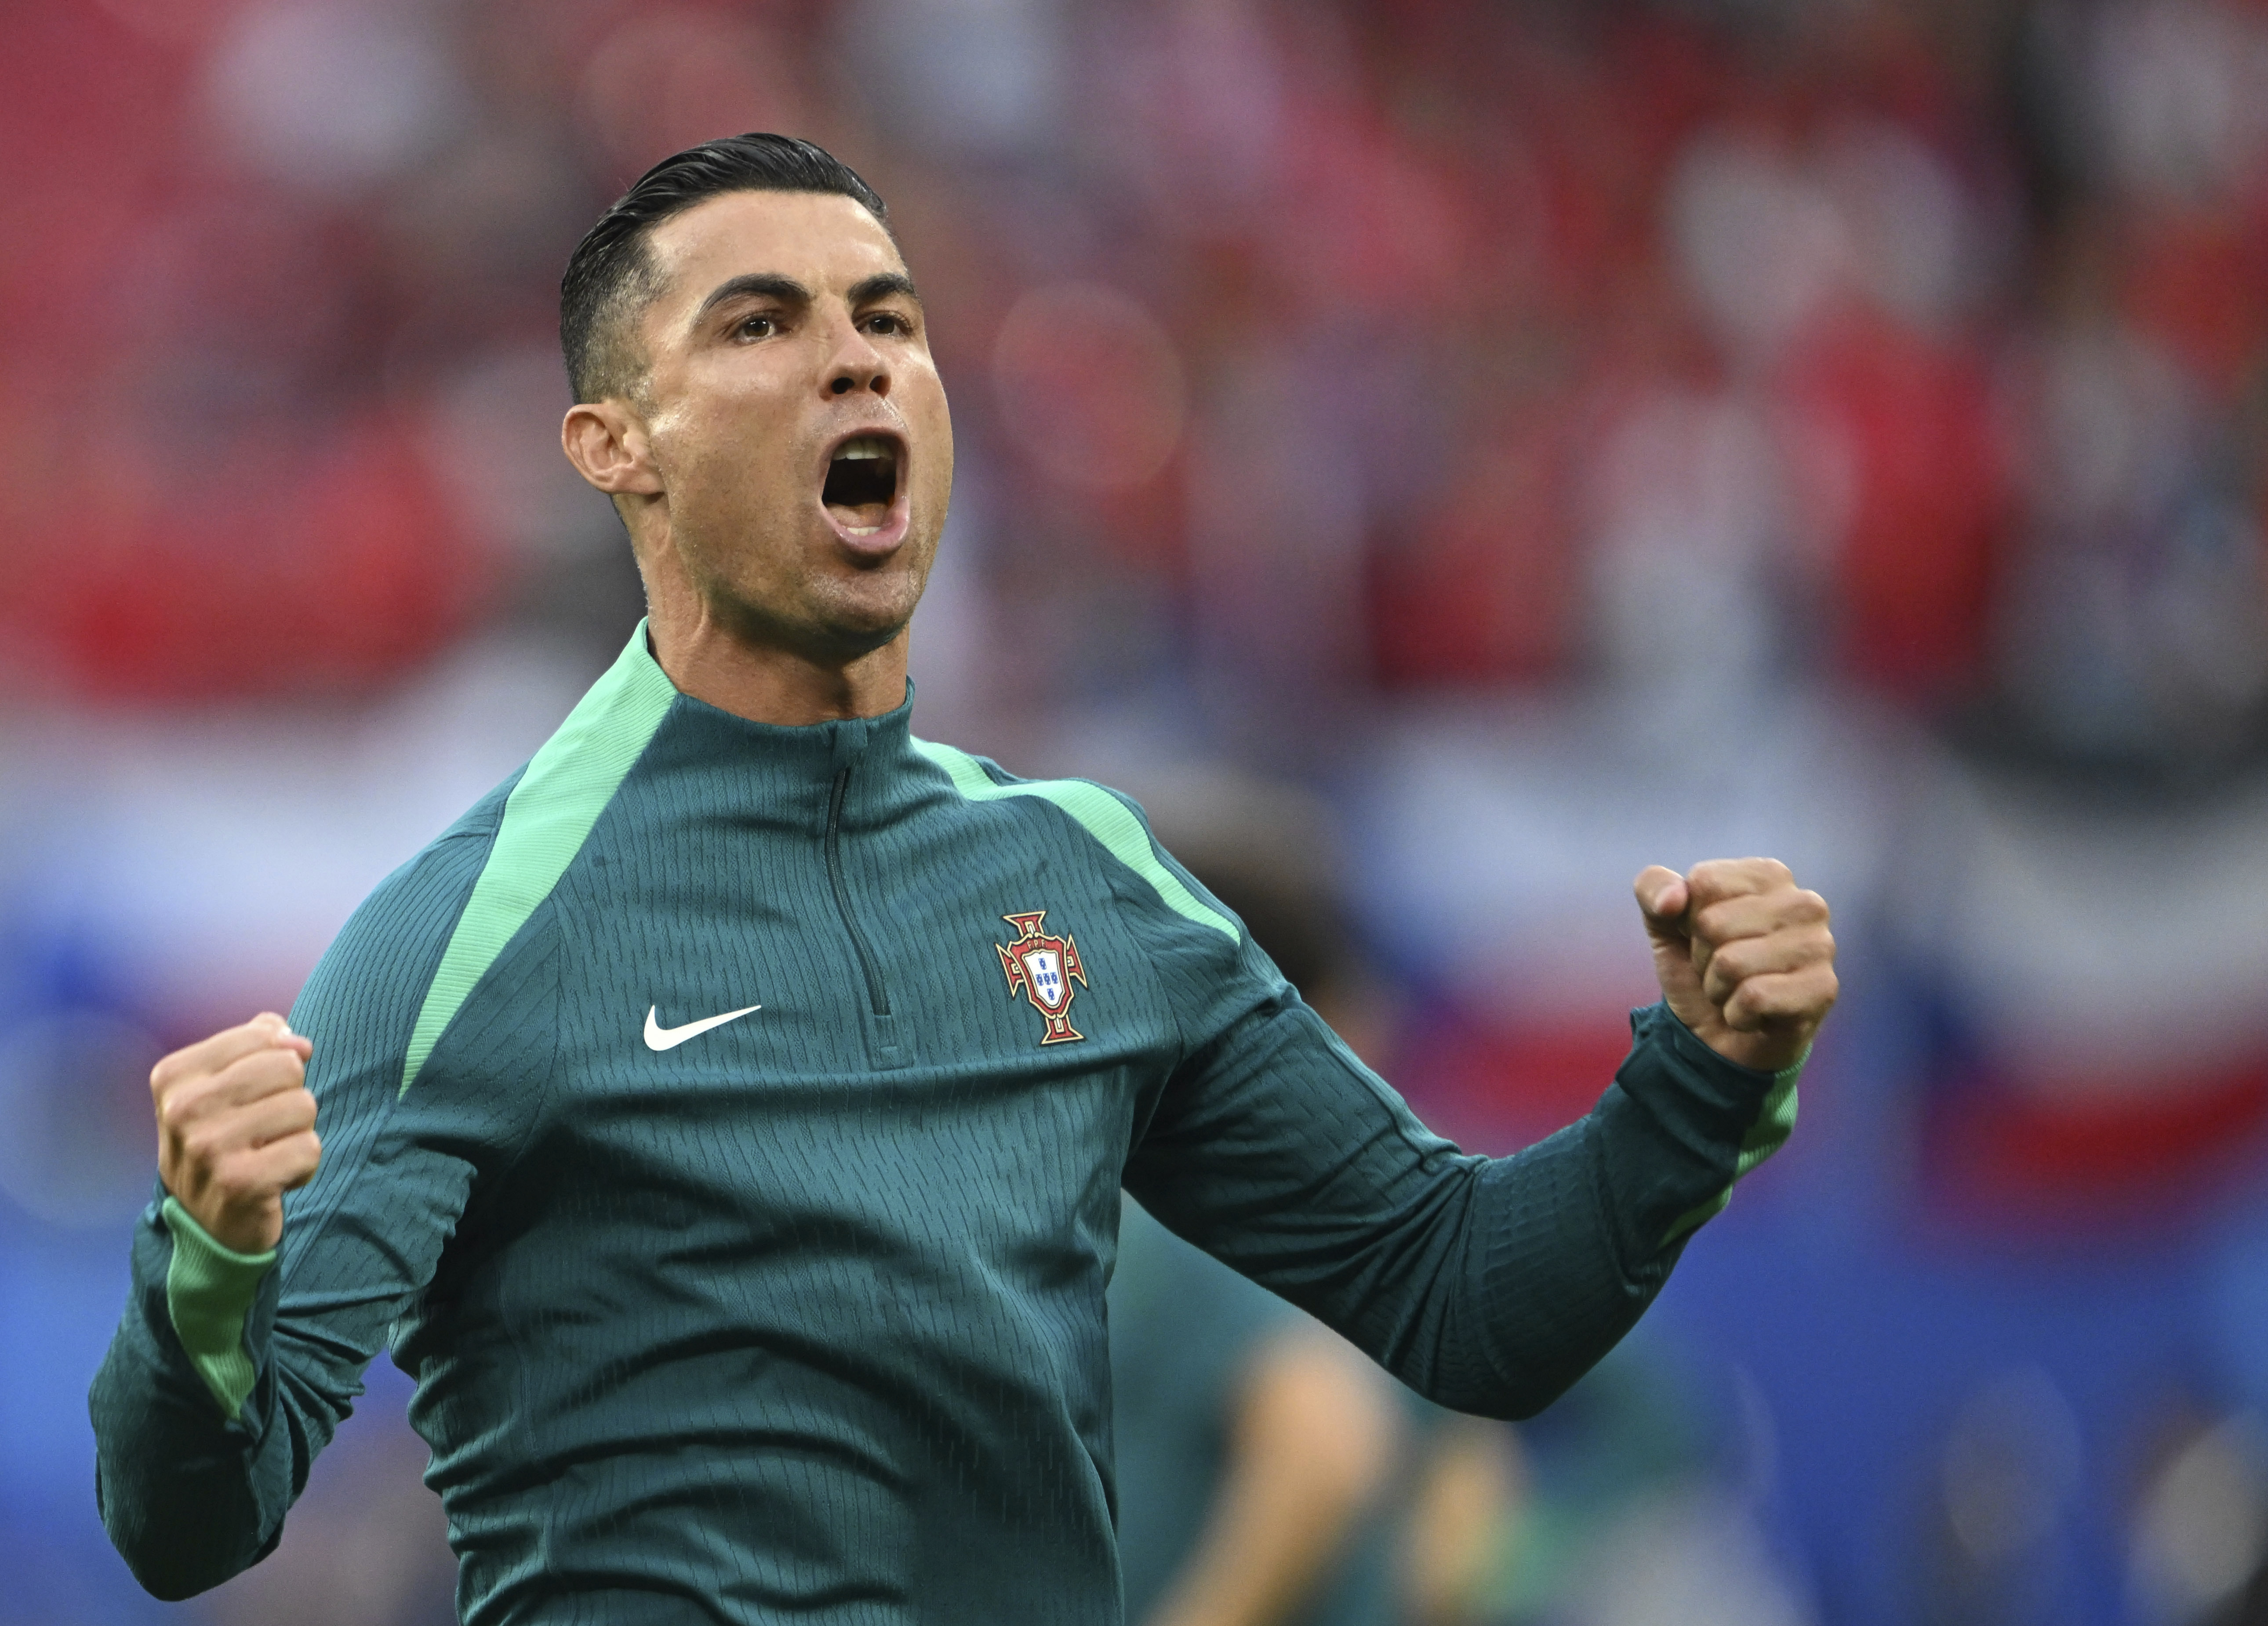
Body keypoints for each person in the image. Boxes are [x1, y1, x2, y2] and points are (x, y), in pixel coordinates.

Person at [89, 134, 1839, 1625]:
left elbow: (1463, 1301)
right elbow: (195, 1520)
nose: (856, 362)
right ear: (615, 443)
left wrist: (1699, 1077)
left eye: (891, 323)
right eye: (762, 324)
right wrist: (211, 1278)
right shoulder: (466, 935)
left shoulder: (1082, 880)